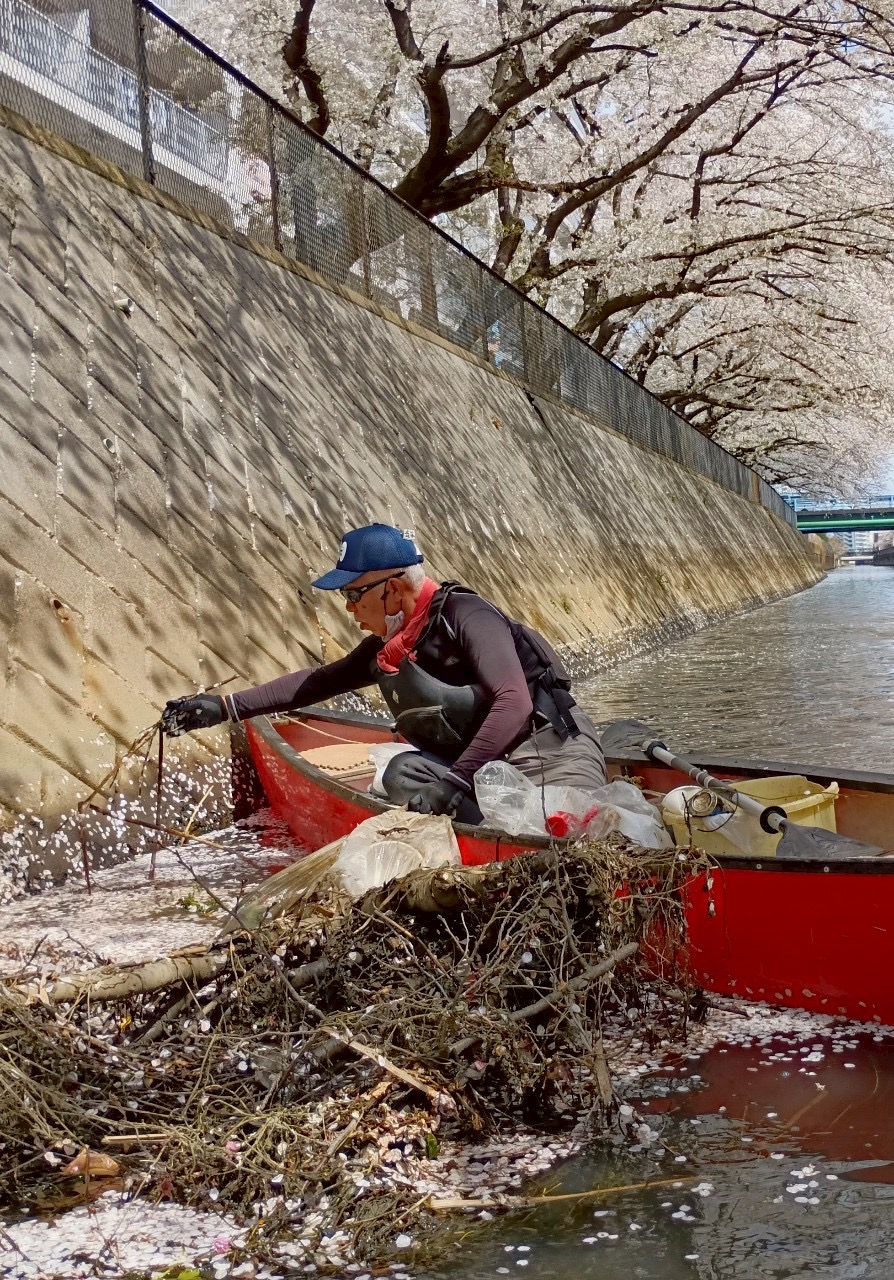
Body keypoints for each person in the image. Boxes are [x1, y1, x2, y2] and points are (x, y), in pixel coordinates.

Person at [162, 524, 606, 822]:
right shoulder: (392, 644)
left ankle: (506, 831)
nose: (349, 608)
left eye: (353, 595)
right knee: (400, 775)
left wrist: (453, 782)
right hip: (485, 765)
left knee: (573, 830)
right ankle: (489, 828)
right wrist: (223, 707)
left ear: (392, 588)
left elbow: (515, 702)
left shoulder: (466, 615)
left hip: (550, 752)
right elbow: (319, 681)